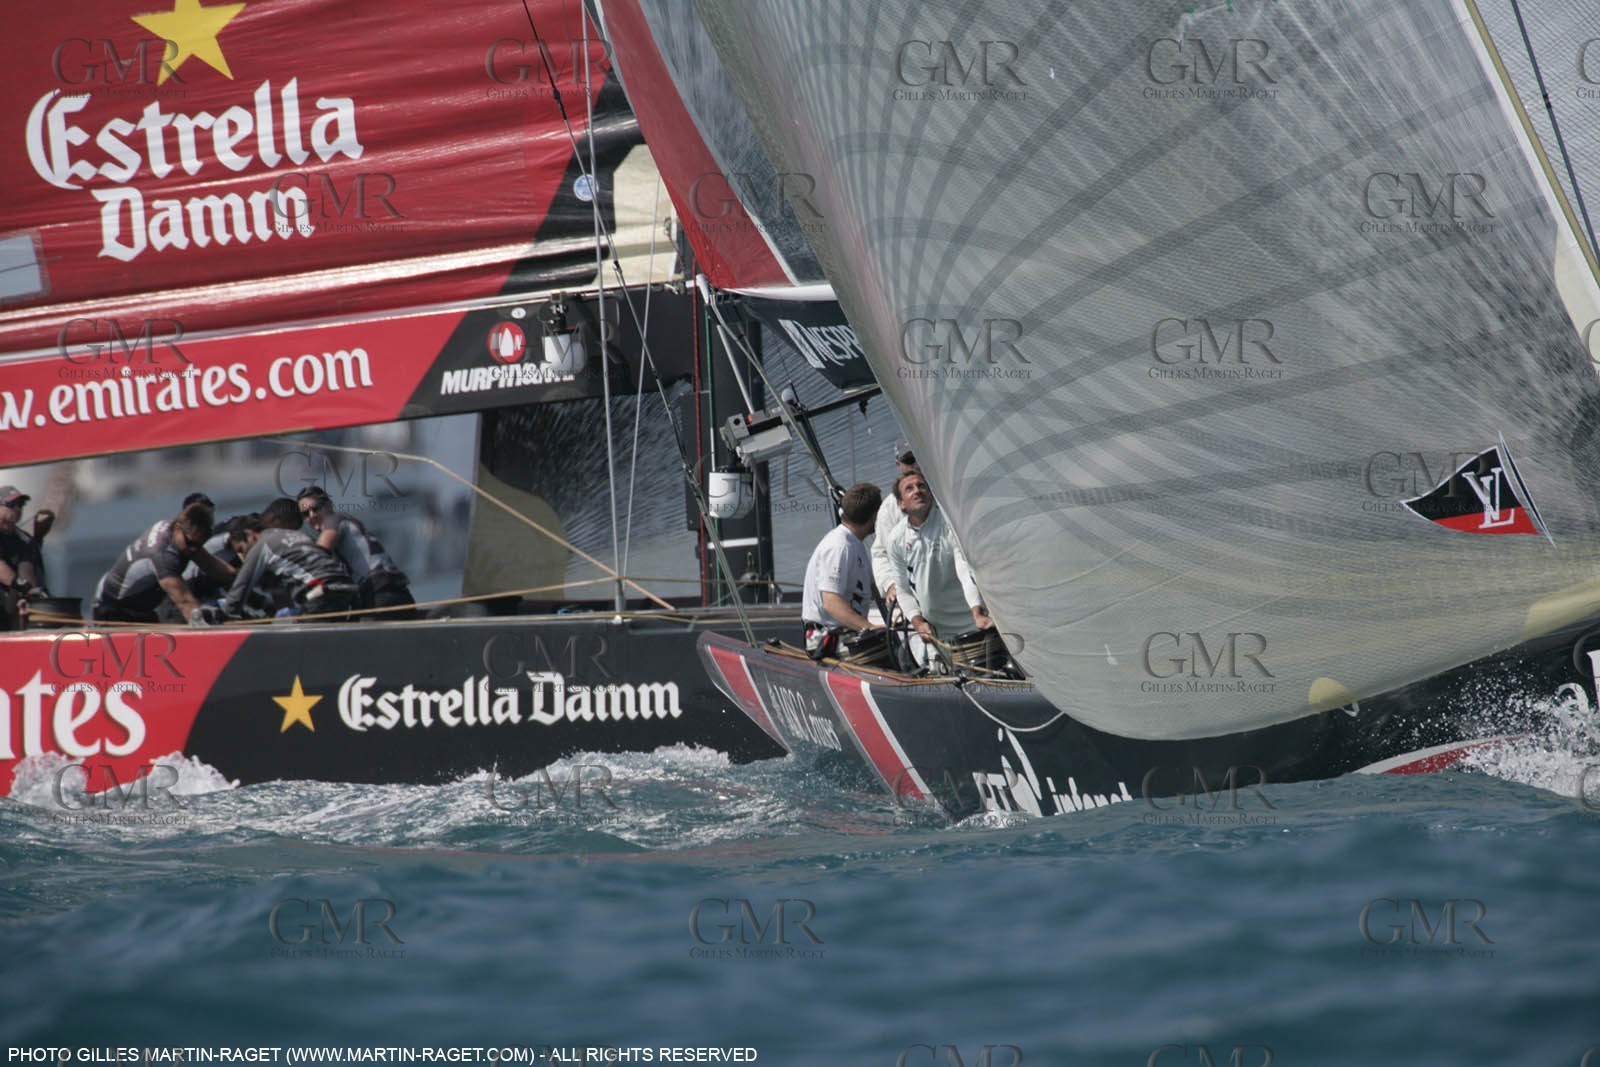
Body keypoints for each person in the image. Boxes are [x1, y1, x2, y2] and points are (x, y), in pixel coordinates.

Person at [880, 470, 993, 668]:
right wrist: (917, 623)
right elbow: (904, 590)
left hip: (975, 622)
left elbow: (964, 570)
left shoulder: (948, 522)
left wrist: (977, 612)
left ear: (931, 492)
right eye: (909, 489)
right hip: (939, 633)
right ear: (901, 503)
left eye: (921, 486)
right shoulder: (895, 539)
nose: (917, 491)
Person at [217, 497, 358, 621]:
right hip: (348, 589)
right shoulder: (299, 536)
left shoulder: (263, 544)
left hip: (324, 595)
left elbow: (241, 587)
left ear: (250, 534)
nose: (243, 556)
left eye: (241, 549)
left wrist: (224, 614)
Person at [93, 501, 234, 623]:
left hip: (139, 609)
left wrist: (240, 580)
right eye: (191, 543)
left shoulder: (181, 533)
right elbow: (186, 604)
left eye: (199, 545)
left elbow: (212, 565)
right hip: (112, 608)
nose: (193, 550)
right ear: (178, 528)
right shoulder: (163, 555)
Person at [295, 487, 415, 618]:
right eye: (305, 514)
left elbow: (318, 555)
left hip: (380, 593)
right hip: (394, 591)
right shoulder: (346, 524)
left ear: (328, 505)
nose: (312, 515)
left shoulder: (333, 520)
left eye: (316, 508)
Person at [801, 482, 881, 657]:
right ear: (874, 516)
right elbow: (831, 603)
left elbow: (874, 588)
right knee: (885, 654)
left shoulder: (855, 543)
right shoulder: (839, 546)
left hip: (845, 634)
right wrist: (871, 628)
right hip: (827, 641)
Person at [870, 450, 921, 605]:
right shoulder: (889, 508)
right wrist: (890, 584)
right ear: (898, 464)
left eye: (917, 457)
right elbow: (880, 554)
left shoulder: (948, 490)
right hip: (916, 593)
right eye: (909, 460)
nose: (915, 464)